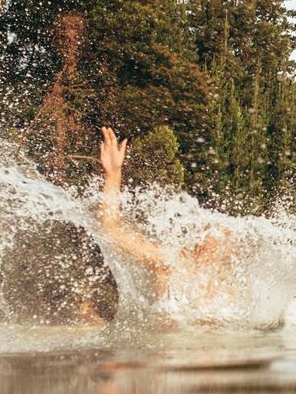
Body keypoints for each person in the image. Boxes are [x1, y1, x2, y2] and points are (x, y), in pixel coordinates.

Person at [97, 126, 234, 304]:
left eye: (223, 233)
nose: (214, 240)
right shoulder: (169, 264)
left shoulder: (229, 291)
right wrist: (113, 174)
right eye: (209, 232)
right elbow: (111, 228)